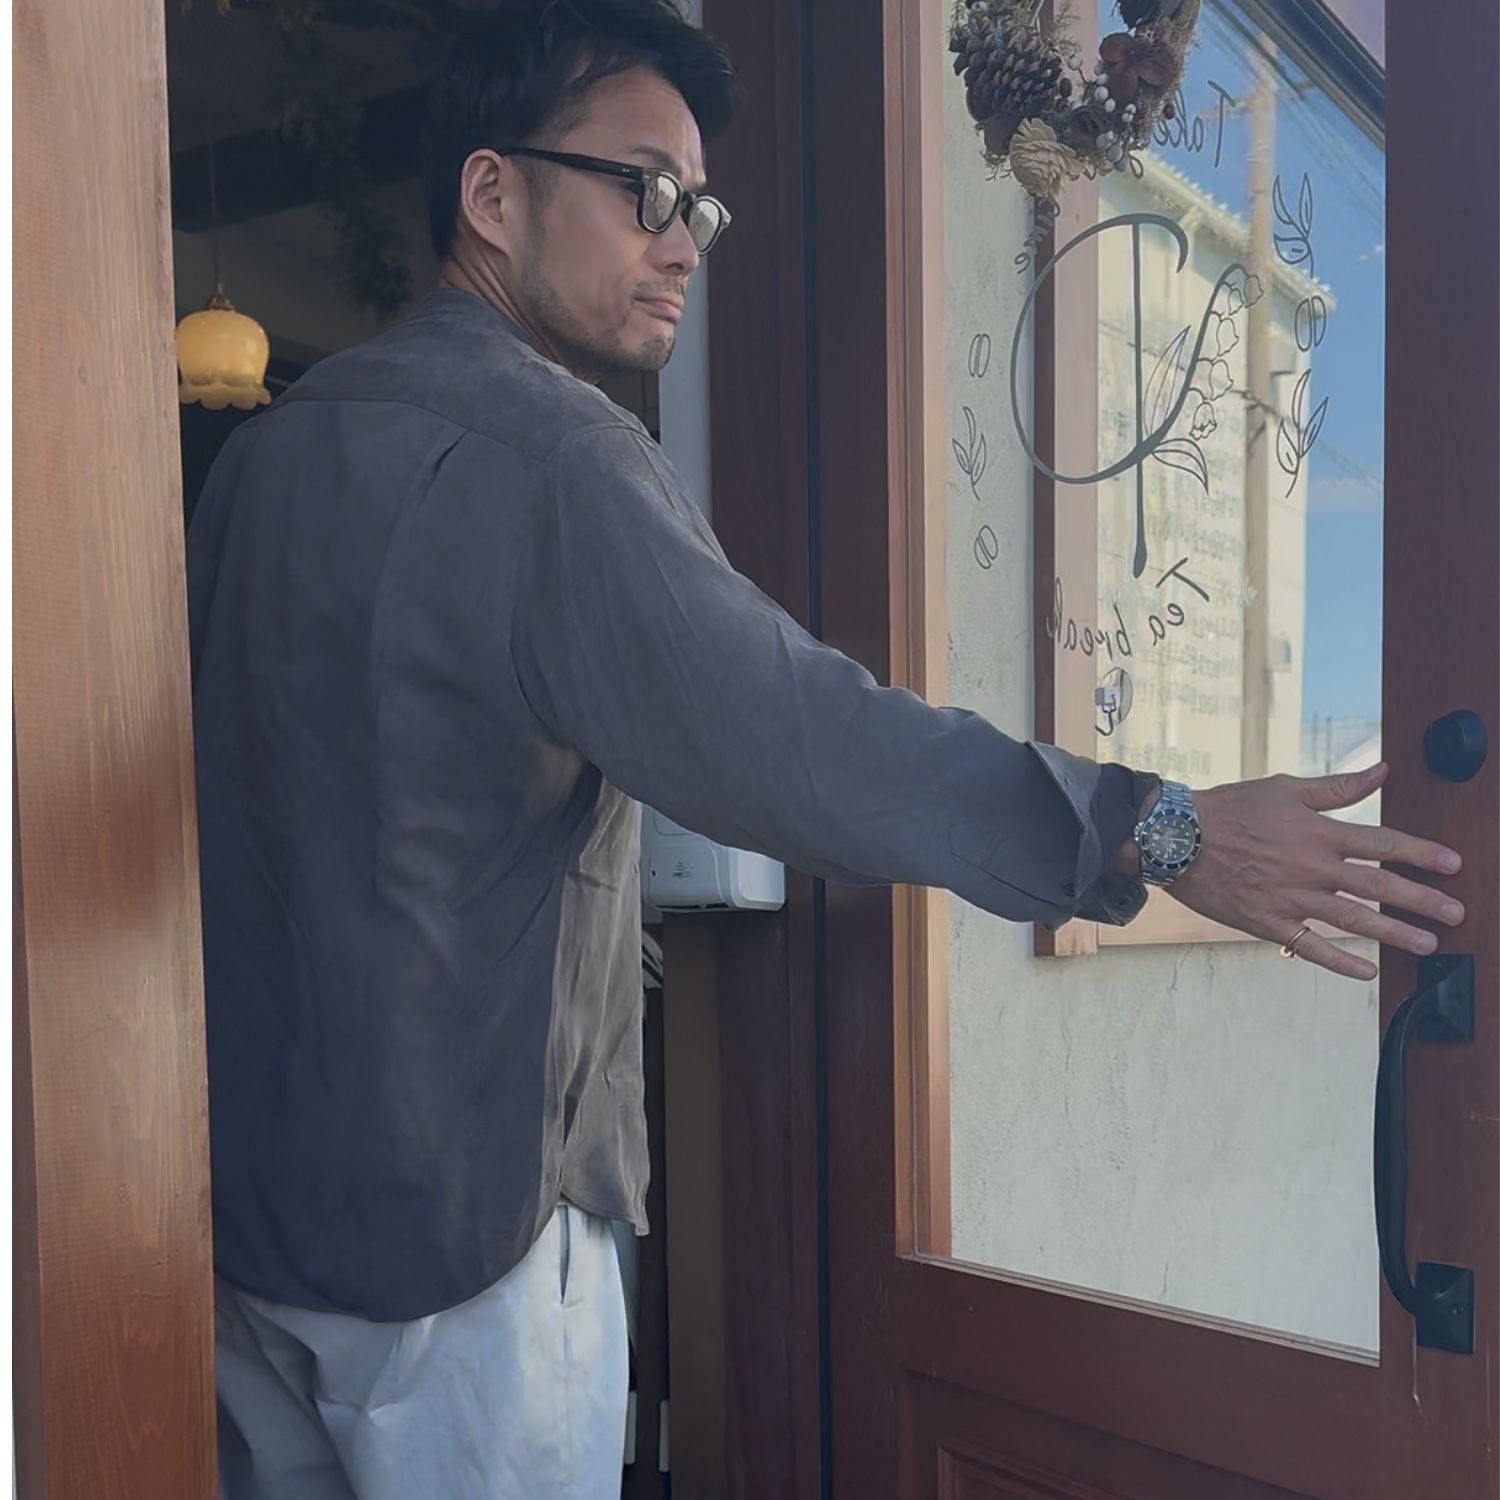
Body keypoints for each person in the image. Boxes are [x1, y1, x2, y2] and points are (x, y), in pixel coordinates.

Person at [187, 2, 1466, 1496]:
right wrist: (1163, 827)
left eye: (700, 206)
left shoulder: (257, 462)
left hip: (241, 1223)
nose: (686, 242)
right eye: (646, 191)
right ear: (492, 193)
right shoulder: (555, 460)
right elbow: (808, 741)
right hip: (460, 1250)